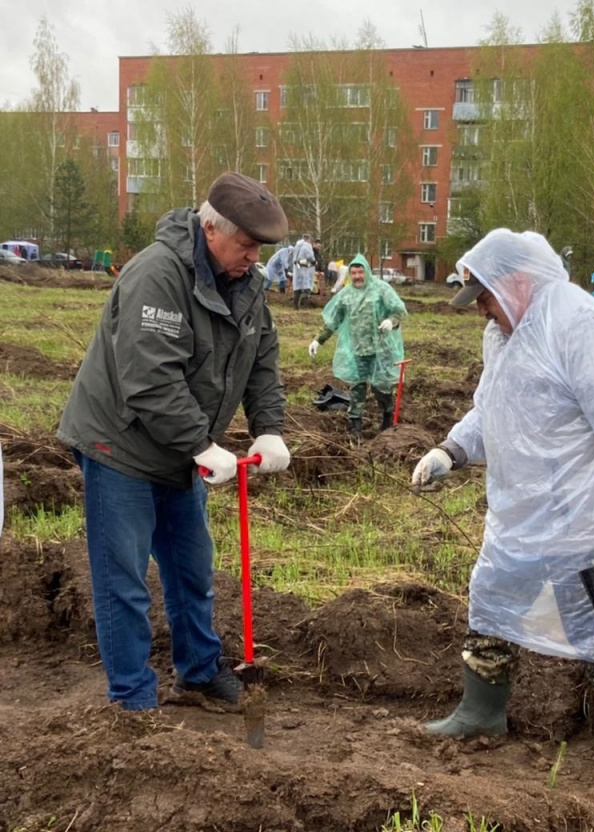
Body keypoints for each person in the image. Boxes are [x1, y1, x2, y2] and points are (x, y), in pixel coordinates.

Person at [409, 228, 594, 786]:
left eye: (485, 295)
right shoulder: (502, 335)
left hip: (591, 512)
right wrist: (451, 450)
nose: (482, 309)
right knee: (492, 594)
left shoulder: (579, 324)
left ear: (517, 283)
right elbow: (491, 407)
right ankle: (482, 714)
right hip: (524, 512)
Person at [56, 172, 292, 711]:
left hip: (181, 450)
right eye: (247, 245)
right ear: (212, 230)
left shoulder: (247, 285)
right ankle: (133, 700)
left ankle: (200, 673)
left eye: (260, 248)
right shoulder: (157, 276)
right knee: (125, 581)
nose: (255, 258)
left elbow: (262, 362)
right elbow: (150, 379)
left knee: (192, 569)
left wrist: (270, 427)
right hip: (120, 445)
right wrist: (202, 444)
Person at [308, 253, 407, 437]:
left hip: (381, 349)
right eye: (353, 273)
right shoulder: (346, 295)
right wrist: (318, 340)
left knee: (381, 387)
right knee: (357, 388)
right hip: (358, 350)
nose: (357, 276)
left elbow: (398, 310)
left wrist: (390, 322)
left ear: (366, 272)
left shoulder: (380, 289)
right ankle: (355, 426)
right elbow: (333, 321)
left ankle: (387, 416)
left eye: (360, 272)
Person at [291, 234, 316, 309]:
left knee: (297, 288)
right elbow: (310, 256)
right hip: (305, 268)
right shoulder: (307, 245)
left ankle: (295, 306)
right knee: (306, 287)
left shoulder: (298, 245)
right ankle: (303, 305)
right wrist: (314, 261)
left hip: (297, 268)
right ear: (309, 239)